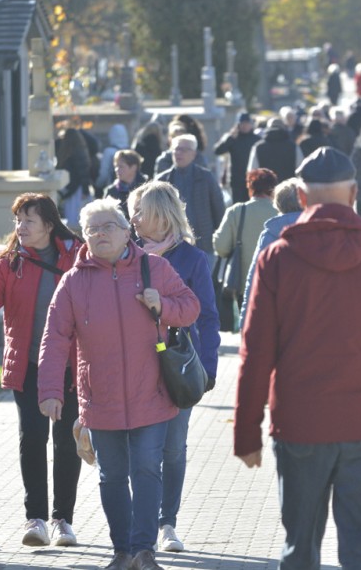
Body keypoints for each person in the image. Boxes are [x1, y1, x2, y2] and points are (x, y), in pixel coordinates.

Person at [235, 147, 361, 570]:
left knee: (300, 548)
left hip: (301, 424)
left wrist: (246, 432)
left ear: (301, 198)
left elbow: (256, 351)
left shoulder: (277, 259)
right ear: (354, 193)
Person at [37, 199, 201, 570]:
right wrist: (48, 391)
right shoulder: (73, 282)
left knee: (146, 469)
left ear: (127, 231)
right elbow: (55, 338)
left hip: (152, 393)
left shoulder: (154, 268)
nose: (100, 234)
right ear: (85, 237)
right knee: (111, 477)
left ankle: (144, 551)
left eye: (108, 226)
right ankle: (122, 552)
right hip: (100, 397)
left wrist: (163, 306)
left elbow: (190, 307)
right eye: (92, 229)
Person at [0, 193, 84, 548]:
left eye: (29, 221)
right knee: (32, 440)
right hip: (28, 364)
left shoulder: (78, 255)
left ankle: (63, 520)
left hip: (69, 365)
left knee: (67, 441)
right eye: (18, 220)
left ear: (49, 225)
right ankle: (35, 519)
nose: (21, 227)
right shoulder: (9, 262)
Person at [127, 182, 219, 554]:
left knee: (173, 449)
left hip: (178, 366)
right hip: (134, 365)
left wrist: (208, 369)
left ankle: (168, 523)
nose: (132, 219)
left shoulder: (192, 259)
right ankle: (143, 520)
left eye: (138, 211)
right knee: (141, 450)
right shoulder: (124, 255)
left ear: (159, 214)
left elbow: (209, 318)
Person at [213, 169, 279, 329]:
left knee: (248, 326)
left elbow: (221, 247)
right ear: (273, 189)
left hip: (241, 281)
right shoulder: (280, 213)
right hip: (275, 281)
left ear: (250, 187)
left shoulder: (237, 211)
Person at [239, 177, 304, 324]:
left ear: (278, 204)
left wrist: (245, 321)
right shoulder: (319, 230)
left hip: (277, 314)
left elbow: (254, 277)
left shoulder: (271, 233)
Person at [155, 134, 225, 264]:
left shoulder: (205, 177)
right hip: (171, 246)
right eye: (176, 149)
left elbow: (218, 209)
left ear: (193, 154)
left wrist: (217, 238)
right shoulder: (162, 181)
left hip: (203, 244)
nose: (178, 153)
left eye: (184, 149)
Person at [213, 112, 261, 205]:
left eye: (247, 123)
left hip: (253, 180)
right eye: (242, 124)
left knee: (252, 206)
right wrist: (230, 138)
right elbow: (217, 151)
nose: (245, 126)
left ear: (251, 125)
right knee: (238, 207)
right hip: (236, 181)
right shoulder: (232, 138)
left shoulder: (257, 139)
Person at [56, 127, 93, 231]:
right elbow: (84, 173)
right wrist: (85, 189)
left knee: (71, 222)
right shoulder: (82, 152)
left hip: (72, 190)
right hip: (80, 190)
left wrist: (64, 193)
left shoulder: (66, 155)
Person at [247, 117, 304, 182]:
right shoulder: (293, 146)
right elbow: (300, 169)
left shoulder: (258, 147)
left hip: (265, 189)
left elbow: (252, 171)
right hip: (288, 189)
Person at [105, 149, 148, 220]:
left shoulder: (147, 188)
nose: (117, 169)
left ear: (134, 167)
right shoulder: (112, 191)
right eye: (116, 166)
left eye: (121, 166)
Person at [96, 123, 130, 196]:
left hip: (113, 188)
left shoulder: (108, 151)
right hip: (130, 188)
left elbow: (103, 174)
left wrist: (97, 186)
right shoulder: (131, 151)